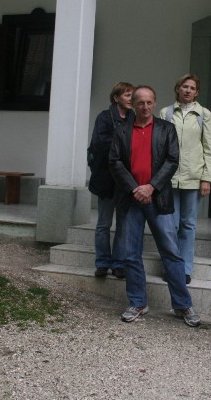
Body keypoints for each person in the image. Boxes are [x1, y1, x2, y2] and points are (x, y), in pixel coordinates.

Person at [109, 85, 201, 327]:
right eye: (140, 102)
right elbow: (115, 162)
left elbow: (172, 160)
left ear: (155, 103)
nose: (145, 107)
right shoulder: (122, 130)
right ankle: (138, 302)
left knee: (171, 252)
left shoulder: (166, 129)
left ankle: (182, 304)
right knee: (131, 254)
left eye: (149, 102)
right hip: (131, 200)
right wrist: (135, 189)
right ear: (133, 104)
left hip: (158, 199)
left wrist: (150, 187)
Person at [158, 74, 211, 284]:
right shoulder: (165, 113)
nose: (188, 90)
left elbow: (209, 148)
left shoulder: (203, 114)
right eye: (184, 86)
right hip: (169, 177)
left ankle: (185, 268)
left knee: (188, 225)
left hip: (194, 176)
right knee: (170, 226)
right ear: (178, 89)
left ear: (197, 92)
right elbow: (159, 146)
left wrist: (206, 178)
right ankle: (171, 267)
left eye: (192, 88)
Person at [87, 82, 134, 279]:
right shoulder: (104, 117)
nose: (131, 99)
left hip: (126, 180)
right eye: (127, 95)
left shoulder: (134, 118)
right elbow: (100, 143)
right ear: (116, 98)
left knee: (123, 224)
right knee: (104, 223)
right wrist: (124, 143)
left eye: (132, 95)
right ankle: (102, 262)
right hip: (106, 178)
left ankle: (118, 263)